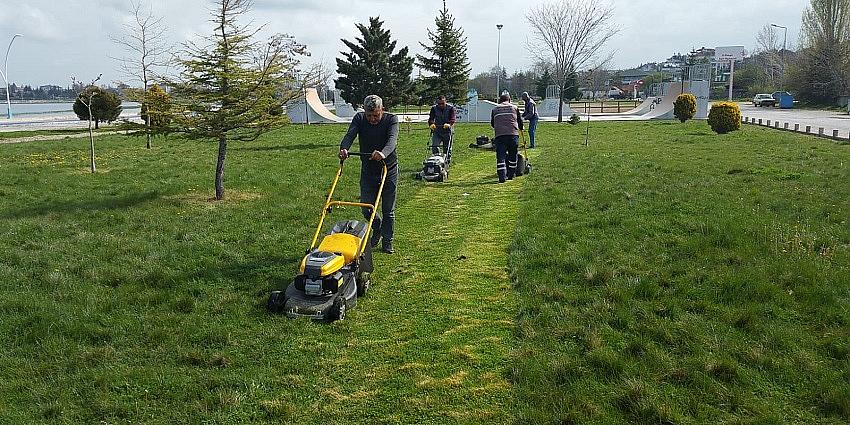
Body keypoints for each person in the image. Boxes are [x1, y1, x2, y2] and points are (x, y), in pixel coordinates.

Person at [339, 95, 398, 254]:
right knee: (366, 208)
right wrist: (344, 148)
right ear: (364, 111)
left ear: (382, 110)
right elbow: (350, 135)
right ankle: (377, 228)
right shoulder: (359, 118)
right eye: (369, 115)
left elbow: (392, 141)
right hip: (368, 170)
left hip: (388, 169)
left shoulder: (391, 120)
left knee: (388, 210)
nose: (372, 119)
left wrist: (383, 153)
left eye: (376, 115)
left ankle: (388, 241)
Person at [490, 93, 523, 183]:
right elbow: (520, 121)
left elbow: (492, 123)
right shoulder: (514, 108)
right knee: (513, 155)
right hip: (513, 134)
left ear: (500, 100)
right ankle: (511, 175)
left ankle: (501, 177)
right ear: (509, 100)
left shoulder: (495, 109)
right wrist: (521, 128)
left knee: (500, 156)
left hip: (500, 135)